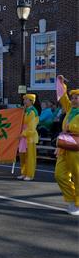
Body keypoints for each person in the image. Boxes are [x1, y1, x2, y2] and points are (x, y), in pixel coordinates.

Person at [54, 76, 78, 215]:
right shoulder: (70, 109)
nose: (74, 100)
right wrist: (60, 83)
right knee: (59, 175)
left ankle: (77, 203)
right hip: (64, 146)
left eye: (77, 97)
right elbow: (63, 98)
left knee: (77, 174)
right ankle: (71, 198)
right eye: (73, 97)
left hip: (77, 148)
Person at [17, 94, 39, 181]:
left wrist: (23, 133)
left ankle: (30, 174)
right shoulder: (25, 111)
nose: (24, 101)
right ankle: (24, 173)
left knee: (30, 156)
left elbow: (32, 126)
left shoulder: (33, 112)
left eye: (26, 99)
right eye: (24, 99)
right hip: (23, 136)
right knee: (22, 155)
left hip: (30, 137)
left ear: (31, 101)